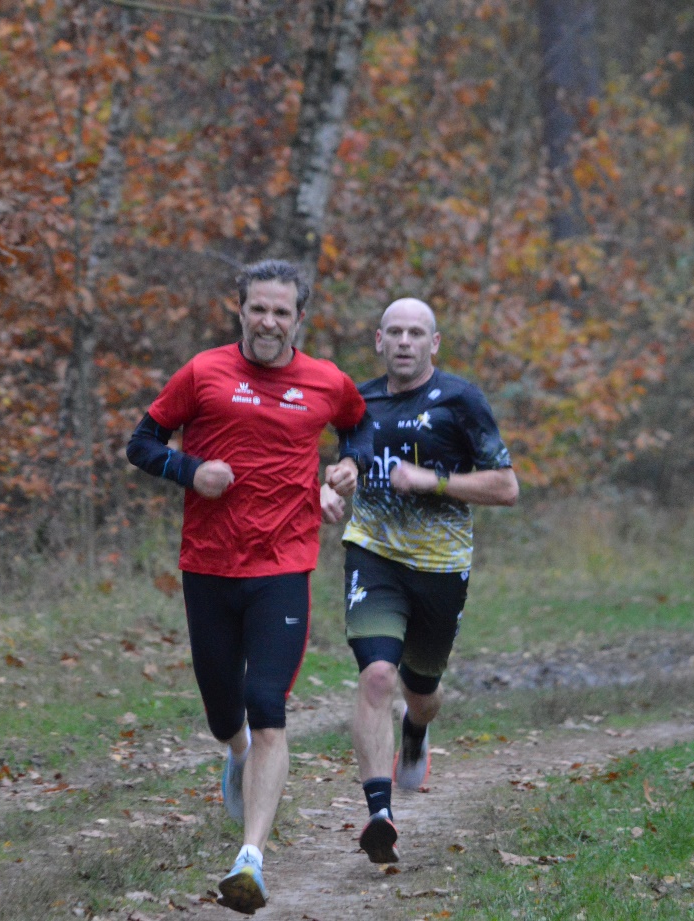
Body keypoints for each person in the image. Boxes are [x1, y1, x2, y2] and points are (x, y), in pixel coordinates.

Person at [126, 259, 364, 914]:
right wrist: (188, 468)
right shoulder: (202, 373)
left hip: (283, 564)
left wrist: (345, 466)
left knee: (268, 702)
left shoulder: (326, 381)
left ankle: (251, 856)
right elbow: (140, 443)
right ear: (240, 308)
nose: (268, 321)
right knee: (223, 709)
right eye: (258, 308)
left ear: (299, 318)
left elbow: (359, 425)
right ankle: (235, 753)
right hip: (208, 563)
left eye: (281, 311)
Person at [321, 297, 518, 865]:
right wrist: (335, 487)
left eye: (416, 333)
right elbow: (351, 464)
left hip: (440, 567)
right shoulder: (358, 402)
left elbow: (506, 487)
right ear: (378, 340)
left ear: (433, 344)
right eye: (395, 332)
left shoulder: (461, 400)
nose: (404, 342)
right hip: (374, 556)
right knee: (377, 675)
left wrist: (432, 481)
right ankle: (379, 814)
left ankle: (414, 732)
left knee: (421, 693)